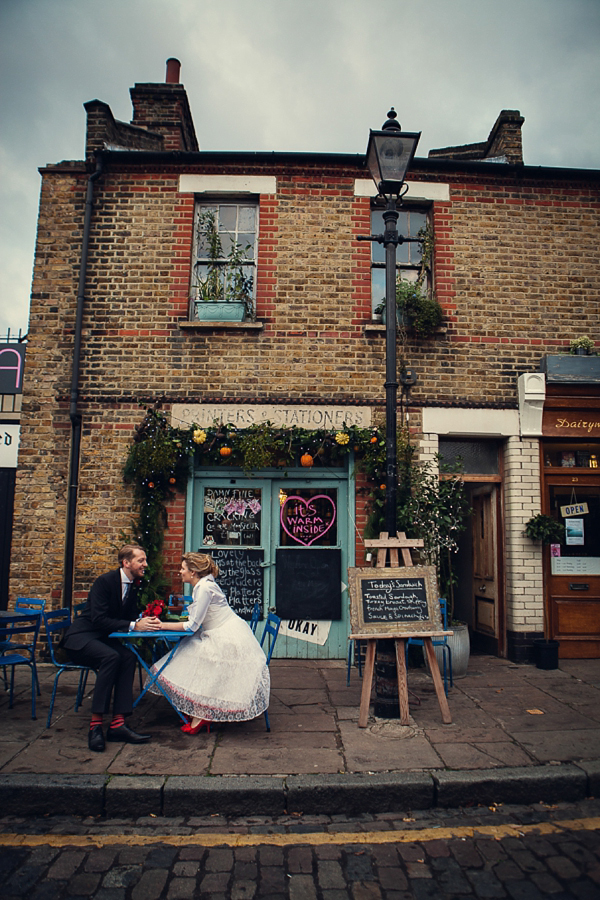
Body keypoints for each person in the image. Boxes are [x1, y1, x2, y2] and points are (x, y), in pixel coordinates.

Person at [147, 552, 269, 733]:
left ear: (193, 572)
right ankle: (198, 709)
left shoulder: (203, 587)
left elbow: (193, 625)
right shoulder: (203, 585)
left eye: (183, 569)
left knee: (190, 655)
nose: (180, 572)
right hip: (221, 632)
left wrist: (161, 625)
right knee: (187, 652)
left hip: (228, 637)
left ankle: (202, 714)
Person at [63, 544, 163, 752]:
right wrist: (135, 625)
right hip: (81, 638)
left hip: (102, 638)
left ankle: (118, 724)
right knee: (111, 657)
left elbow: (126, 616)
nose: (146, 564)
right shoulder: (105, 582)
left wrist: (145, 619)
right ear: (126, 563)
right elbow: (99, 619)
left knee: (127, 657)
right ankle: (95, 726)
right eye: (141, 560)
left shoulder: (135, 584)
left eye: (145, 560)